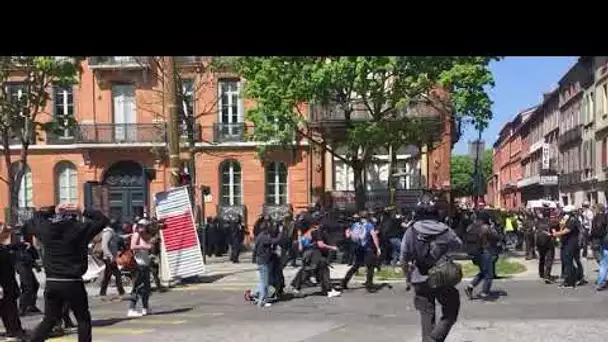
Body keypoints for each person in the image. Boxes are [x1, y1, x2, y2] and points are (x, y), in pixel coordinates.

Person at [26, 203, 110, 342]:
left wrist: (51, 210)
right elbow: (103, 220)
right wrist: (82, 209)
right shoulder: (79, 229)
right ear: (74, 216)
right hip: (73, 281)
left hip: (53, 281)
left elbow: (32, 222)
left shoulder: (47, 229)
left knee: (49, 319)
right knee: (83, 319)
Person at [400, 193, 462, 342]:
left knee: (426, 315)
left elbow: (404, 257)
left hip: (419, 277)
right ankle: (436, 337)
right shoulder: (445, 230)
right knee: (451, 308)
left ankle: (429, 339)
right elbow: (458, 245)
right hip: (442, 277)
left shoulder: (411, 230)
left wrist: (407, 277)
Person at [341, 210, 381, 291]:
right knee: (370, 267)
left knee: (355, 266)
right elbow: (374, 237)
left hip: (358, 248)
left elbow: (349, 234)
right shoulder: (369, 225)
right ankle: (369, 285)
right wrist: (377, 248)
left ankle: (344, 282)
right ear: (368, 217)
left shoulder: (355, 225)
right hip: (367, 249)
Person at [464, 211, 500, 300]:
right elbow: (497, 236)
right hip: (485, 251)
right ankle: (485, 292)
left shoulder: (471, 226)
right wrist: (492, 226)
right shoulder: (486, 227)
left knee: (483, 272)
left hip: (474, 252)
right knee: (489, 274)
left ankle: (470, 286)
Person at [0, 223, 27, 341]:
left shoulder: (3, 248)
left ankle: (14, 330)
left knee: (9, 308)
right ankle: (15, 330)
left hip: (8, 283)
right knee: (9, 308)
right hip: (4, 285)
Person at [250, 221, 284, 307]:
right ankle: (262, 301)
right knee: (264, 283)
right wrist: (281, 231)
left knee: (262, 281)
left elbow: (257, 248)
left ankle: (254, 294)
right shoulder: (264, 237)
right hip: (264, 261)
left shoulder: (260, 236)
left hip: (261, 260)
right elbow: (276, 240)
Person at [127, 218, 155, 317]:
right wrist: (145, 246)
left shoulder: (146, 236)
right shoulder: (136, 235)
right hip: (138, 264)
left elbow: (150, 247)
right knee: (137, 287)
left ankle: (145, 308)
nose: (142, 229)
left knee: (146, 288)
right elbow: (132, 246)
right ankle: (131, 308)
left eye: (145, 227)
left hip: (145, 264)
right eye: (141, 226)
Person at [552, 206, 583, 288]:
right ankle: (577, 277)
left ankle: (569, 281)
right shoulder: (566, 219)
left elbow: (567, 230)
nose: (563, 214)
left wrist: (556, 234)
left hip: (571, 243)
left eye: (565, 212)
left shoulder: (573, 219)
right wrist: (557, 228)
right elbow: (561, 226)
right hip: (566, 242)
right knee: (568, 260)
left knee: (568, 261)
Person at [98, 220, 125, 299]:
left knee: (108, 275)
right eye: (117, 225)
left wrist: (131, 235)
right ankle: (121, 291)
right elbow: (104, 246)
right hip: (109, 258)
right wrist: (110, 256)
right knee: (117, 274)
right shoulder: (108, 232)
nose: (118, 226)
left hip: (111, 257)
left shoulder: (112, 232)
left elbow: (120, 237)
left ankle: (103, 292)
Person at [534, 210, 556, 284]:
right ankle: (547, 276)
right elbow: (553, 231)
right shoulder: (550, 222)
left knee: (542, 258)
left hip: (540, 243)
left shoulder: (538, 222)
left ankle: (541, 273)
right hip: (549, 243)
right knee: (549, 259)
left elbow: (535, 231)